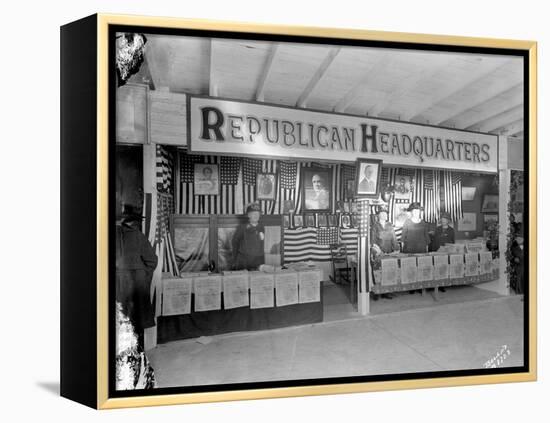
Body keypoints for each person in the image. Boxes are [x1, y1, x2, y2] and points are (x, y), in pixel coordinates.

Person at [115, 205, 158, 349]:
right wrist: (142, 273)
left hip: (117, 284)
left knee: (119, 320)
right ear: (134, 222)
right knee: (136, 321)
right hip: (136, 284)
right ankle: (136, 355)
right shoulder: (138, 236)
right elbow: (152, 261)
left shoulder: (110, 235)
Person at [232, 203, 266, 270]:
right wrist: (235, 259)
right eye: (253, 214)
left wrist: (262, 260)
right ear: (248, 215)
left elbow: (261, 245)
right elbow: (235, 243)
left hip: (258, 260)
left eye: (258, 214)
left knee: (258, 278)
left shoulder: (261, 227)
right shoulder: (242, 227)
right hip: (244, 260)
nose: (256, 216)